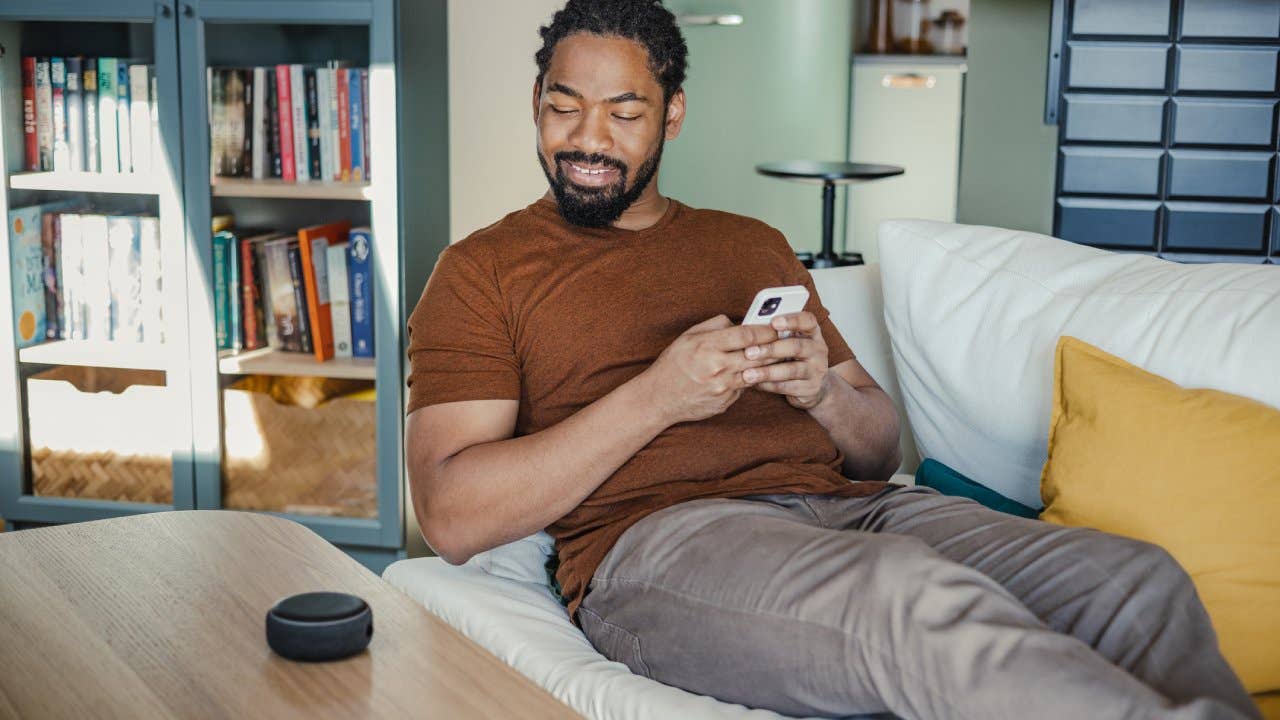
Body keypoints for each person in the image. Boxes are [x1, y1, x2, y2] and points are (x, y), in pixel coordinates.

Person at [403, 2, 1258, 718]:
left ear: (671, 115)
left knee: (1132, 580)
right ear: (535, 102)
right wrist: (657, 398)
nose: (588, 138)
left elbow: (879, 447)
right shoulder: (483, 271)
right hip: (660, 543)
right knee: (911, 604)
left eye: (623, 112)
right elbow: (451, 515)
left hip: (856, 508)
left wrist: (819, 392)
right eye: (564, 106)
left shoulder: (750, 243)